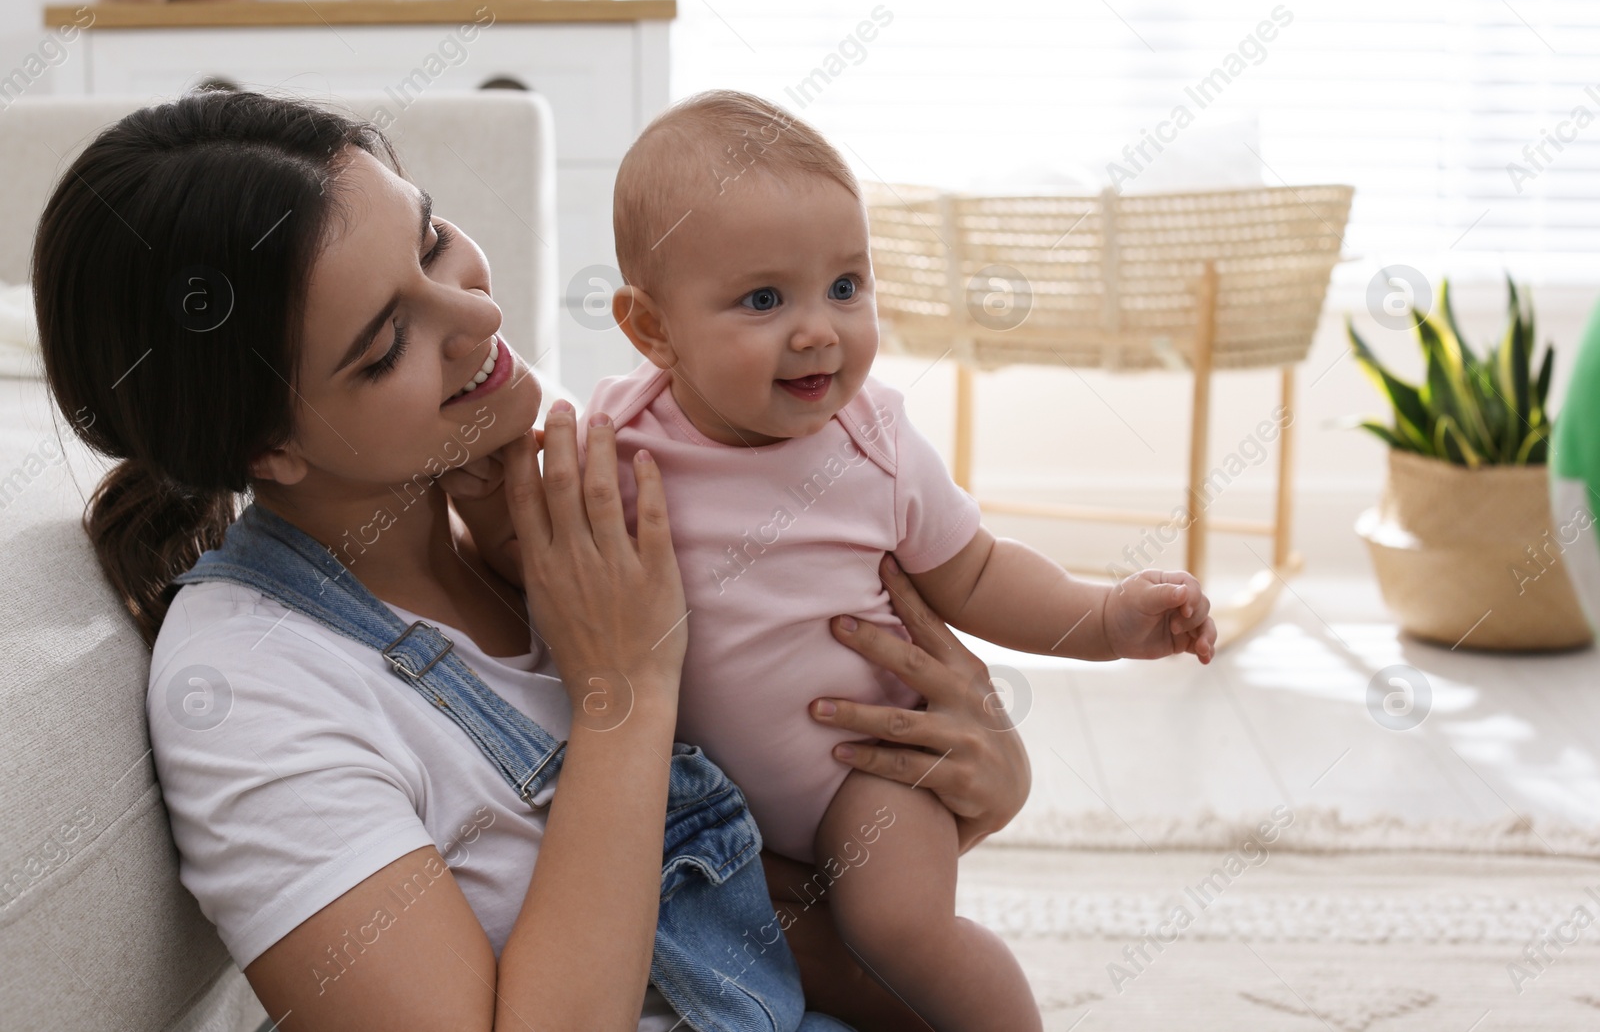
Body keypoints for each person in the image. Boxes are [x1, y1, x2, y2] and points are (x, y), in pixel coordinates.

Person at [29, 85, 1032, 1032]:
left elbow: (775, 920)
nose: (476, 318)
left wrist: (970, 783)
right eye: (387, 343)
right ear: (267, 450)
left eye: (431, 241)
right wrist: (622, 696)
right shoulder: (250, 685)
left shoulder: (574, 503)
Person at [452, 89, 1218, 1030]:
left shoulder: (876, 442)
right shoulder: (620, 439)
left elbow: (974, 573)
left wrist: (1104, 619)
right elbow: (540, 559)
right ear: (654, 329)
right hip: (691, 793)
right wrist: (487, 501)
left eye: (846, 286)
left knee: (898, 926)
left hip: (869, 775)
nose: (819, 329)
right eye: (765, 299)